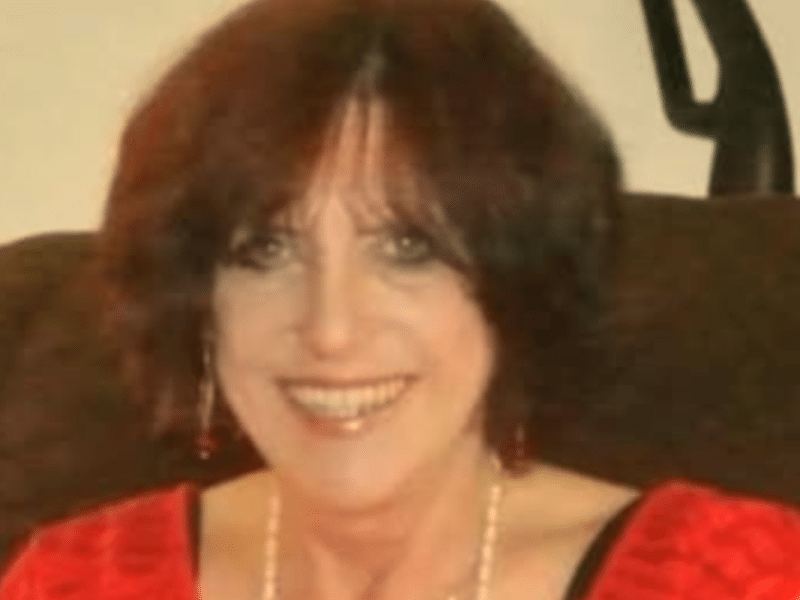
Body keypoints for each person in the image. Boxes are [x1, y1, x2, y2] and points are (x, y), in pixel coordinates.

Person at [3, 0, 800, 598]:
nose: (332, 329)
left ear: (517, 285)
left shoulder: (732, 579)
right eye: (265, 251)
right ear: (195, 302)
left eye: (408, 248)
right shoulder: (77, 582)